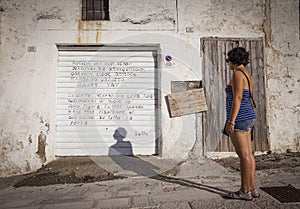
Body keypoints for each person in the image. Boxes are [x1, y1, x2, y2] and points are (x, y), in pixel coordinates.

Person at [225, 47, 260, 201]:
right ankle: (252, 188)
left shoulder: (238, 74)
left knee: (244, 156)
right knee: (249, 155)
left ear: (233, 60)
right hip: (248, 116)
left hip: (241, 118)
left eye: (228, 60)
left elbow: (237, 98)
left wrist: (231, 121)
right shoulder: (247, 73)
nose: (227, 63)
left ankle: (244, 191)